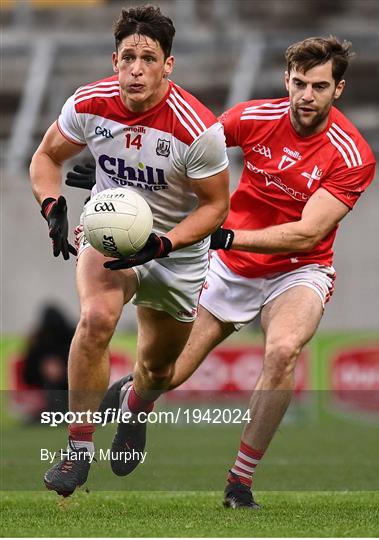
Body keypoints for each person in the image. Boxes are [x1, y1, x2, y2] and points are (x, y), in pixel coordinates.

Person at [68, 36, 376, 508]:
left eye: (319, 86)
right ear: (286, 81)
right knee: (166, 374)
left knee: (284, 350)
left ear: (339, 90)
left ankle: (239, 481)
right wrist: (118, 174)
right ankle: (136, 402)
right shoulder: (254, 118)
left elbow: (306, 234)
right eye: (299, 84)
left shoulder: (351, 154)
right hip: (229, 268)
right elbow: (190, 147)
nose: (306, 96)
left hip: (299, 270)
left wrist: (224, 235)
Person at [29, 5, 230, 498]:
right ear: (114, 59)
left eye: (148, 58)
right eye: (127, 57)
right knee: (96, 319)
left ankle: (135, 408)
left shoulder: (197, 128)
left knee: (159, 369)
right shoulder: (89, 103)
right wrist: (53, 206)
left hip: (175, 250)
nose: (136, 69)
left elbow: (215, 206)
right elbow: (47, 157)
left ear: (168, 64)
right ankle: (78, 450)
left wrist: (166, 242)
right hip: (110, 235)